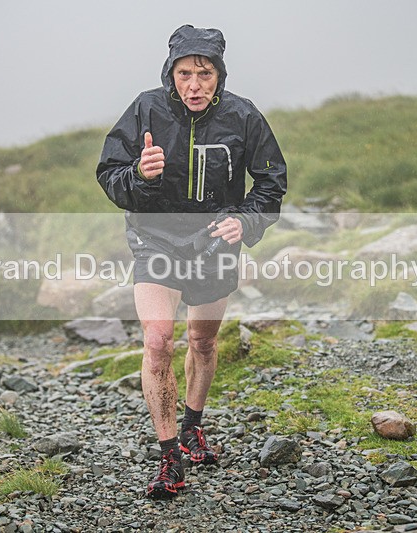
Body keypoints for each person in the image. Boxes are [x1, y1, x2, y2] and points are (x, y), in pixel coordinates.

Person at [96, 24, 287, 499]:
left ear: (219, 74)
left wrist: (246, 221)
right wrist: (139, 176)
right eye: (185, 73)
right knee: (159, 341)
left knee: (202, 341)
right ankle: (168, 459)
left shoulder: (244, 116)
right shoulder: (146, 109)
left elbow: (270, 183)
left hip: (215, 243)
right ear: (171, 73)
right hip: (154, 240)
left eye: (204, 73)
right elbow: (108, 175)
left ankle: (192, 426)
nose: (194, 85)